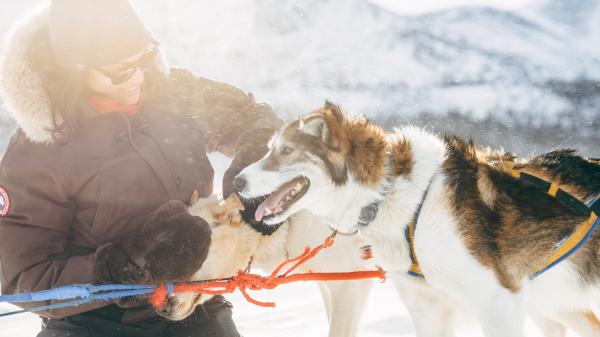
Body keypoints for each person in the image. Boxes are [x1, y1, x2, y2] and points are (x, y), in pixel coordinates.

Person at [0, 0, 282, 336]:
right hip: (95, 322)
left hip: (195, 308)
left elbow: (256, 121)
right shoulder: (40, 150)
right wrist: (127, 266)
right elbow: (23, 279)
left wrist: (255, 172)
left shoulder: (172, 93)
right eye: (118, 71)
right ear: (75, 70)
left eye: (141, 60)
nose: (135, 79)